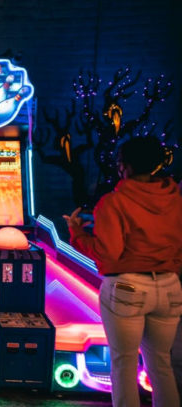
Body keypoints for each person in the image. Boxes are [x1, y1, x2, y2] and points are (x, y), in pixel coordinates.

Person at [63, 136, 182, 407]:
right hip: (169, 287)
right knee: (161, 364)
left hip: (127, 287)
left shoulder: (114, 202)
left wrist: (77, 232)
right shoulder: (175, 199)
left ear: (124, 167)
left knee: (124, 364)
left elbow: (108, 253)